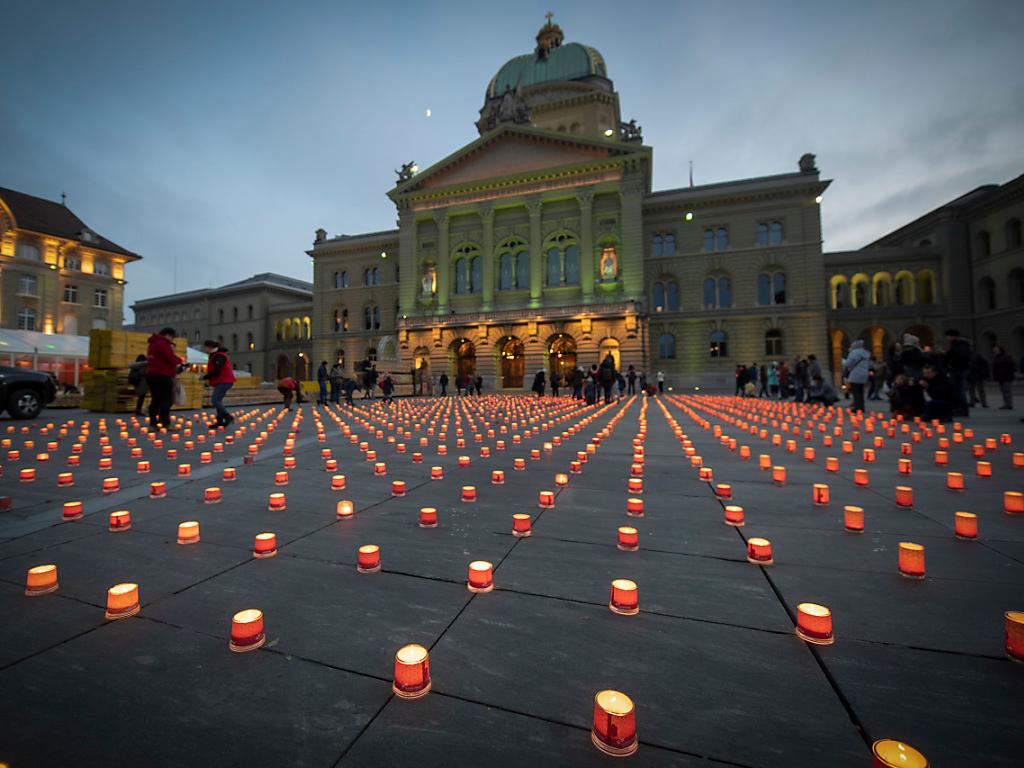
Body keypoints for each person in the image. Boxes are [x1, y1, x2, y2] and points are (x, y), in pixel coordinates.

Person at [145, 327, 182, 431]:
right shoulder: (162, 343)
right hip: (162, 375)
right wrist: (179, 360)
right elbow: (171, 358)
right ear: (168, 335)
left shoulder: (152, 343)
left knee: (155, 400)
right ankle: (165, 423)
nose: (172, 340)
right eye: (172, 337)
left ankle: (153, 424)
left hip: (151, 375)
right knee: (166, 400)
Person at [202, 340, 236, 426]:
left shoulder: (218, 356)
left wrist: (205, 377)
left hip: (224, 381)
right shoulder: (215, 355)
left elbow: (217, 370)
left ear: (209, 347)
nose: (204, 349)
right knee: (218, 401)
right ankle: (220, 421)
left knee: (215, 400)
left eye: (205, 347)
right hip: (223, 381)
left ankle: (228, 417)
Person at [943, 329, 972, 417]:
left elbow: (960, 356)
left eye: (947, 336)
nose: (947, 338)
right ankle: (960, 410)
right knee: (958, 390)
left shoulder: (959, 344)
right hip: (959, 369)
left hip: (959, 369)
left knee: (959, 390)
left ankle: (962, 410)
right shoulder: (959, 344)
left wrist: (951, 361)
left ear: (952, 336)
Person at [843, 340, 871, 412]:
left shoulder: (854, 352)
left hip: (856, 374)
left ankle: (857, 407)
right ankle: (861, 406)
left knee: (856, 391)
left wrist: (844, 363)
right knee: (861, 391)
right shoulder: (865, 353)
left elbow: (848, 363)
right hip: (864, 374)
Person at [992, 345, 1015, 409]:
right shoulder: (996, 357)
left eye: (996, 350)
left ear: (1000, 350)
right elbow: (994, 368)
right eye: (994, 350)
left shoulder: (1007, 356)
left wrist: (1002, 371)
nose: (994, 351)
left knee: (1007, 391)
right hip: (1000, 377)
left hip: (1007, 376)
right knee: (1003, 391)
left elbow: (1010, 366)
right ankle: (1006, 404)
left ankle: (1008, 404)